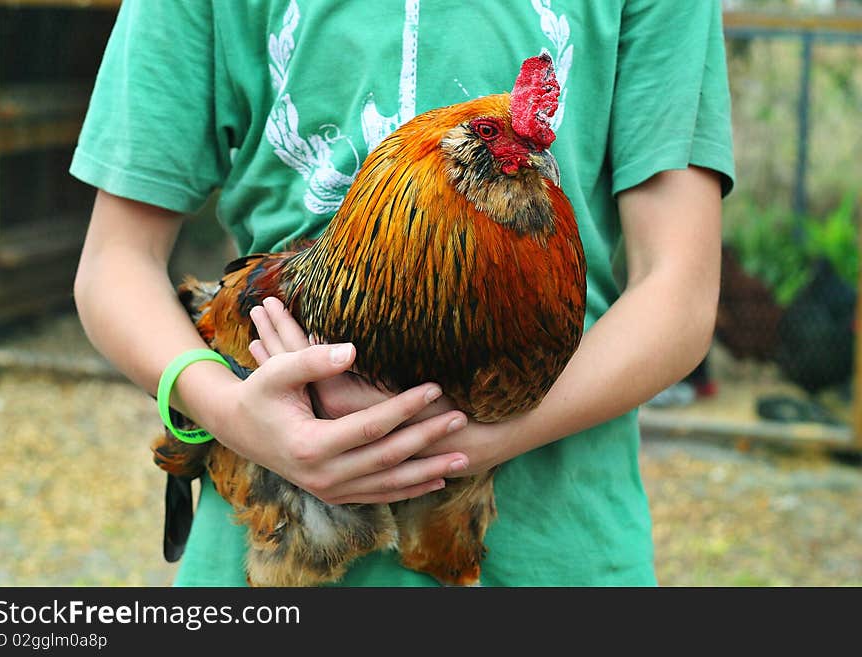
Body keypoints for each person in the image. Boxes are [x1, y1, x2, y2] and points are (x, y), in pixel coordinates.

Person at [71, 0, 734, 586]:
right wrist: (228, 409)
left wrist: (476, 436)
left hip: (554, 553)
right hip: (265, 549)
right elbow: (114, 262)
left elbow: (679, 289)